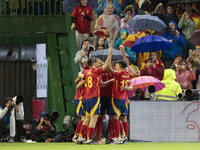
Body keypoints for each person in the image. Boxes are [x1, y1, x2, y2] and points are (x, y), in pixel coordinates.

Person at [77, 47, 114, 144]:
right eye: (98, 63)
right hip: (94, 98)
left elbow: (80, 74)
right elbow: (106, 66)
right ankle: (89, 139)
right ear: (94, 64)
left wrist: (82, 75)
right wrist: (110, 54)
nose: (100, 64)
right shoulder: (96, 71)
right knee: (94, 119)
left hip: (87, 98)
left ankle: (81, 138)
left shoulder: (87, 72)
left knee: (87, 119)